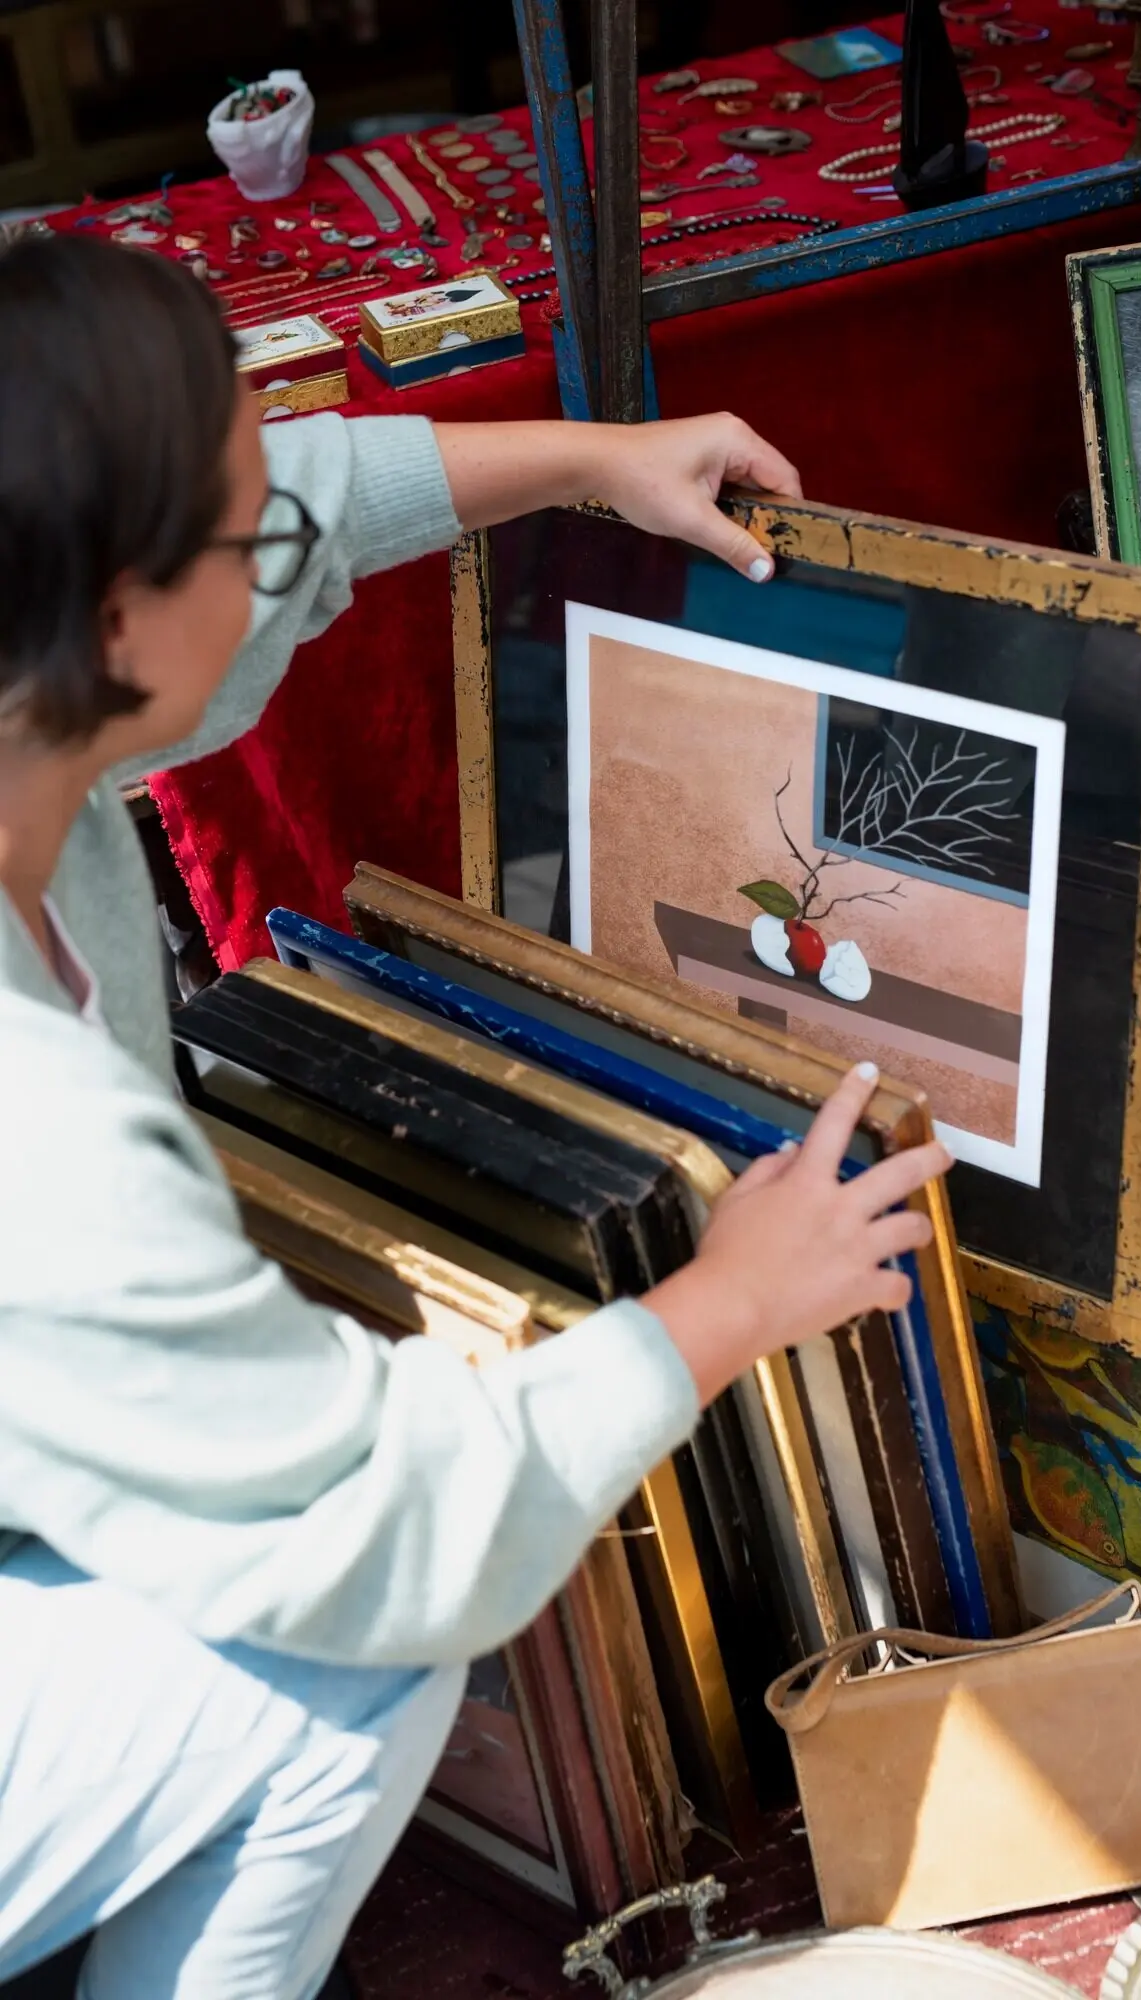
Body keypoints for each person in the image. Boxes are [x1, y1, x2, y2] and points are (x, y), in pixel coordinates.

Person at [0, 236, 949, 2000]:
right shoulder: (34, 1134)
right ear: (120, 623)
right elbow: (392, 1541)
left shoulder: (32, 678)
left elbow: (298, 491)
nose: (283, 548)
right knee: (349, 1658)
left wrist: (593, 458)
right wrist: (728, 1297)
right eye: (243, 539)